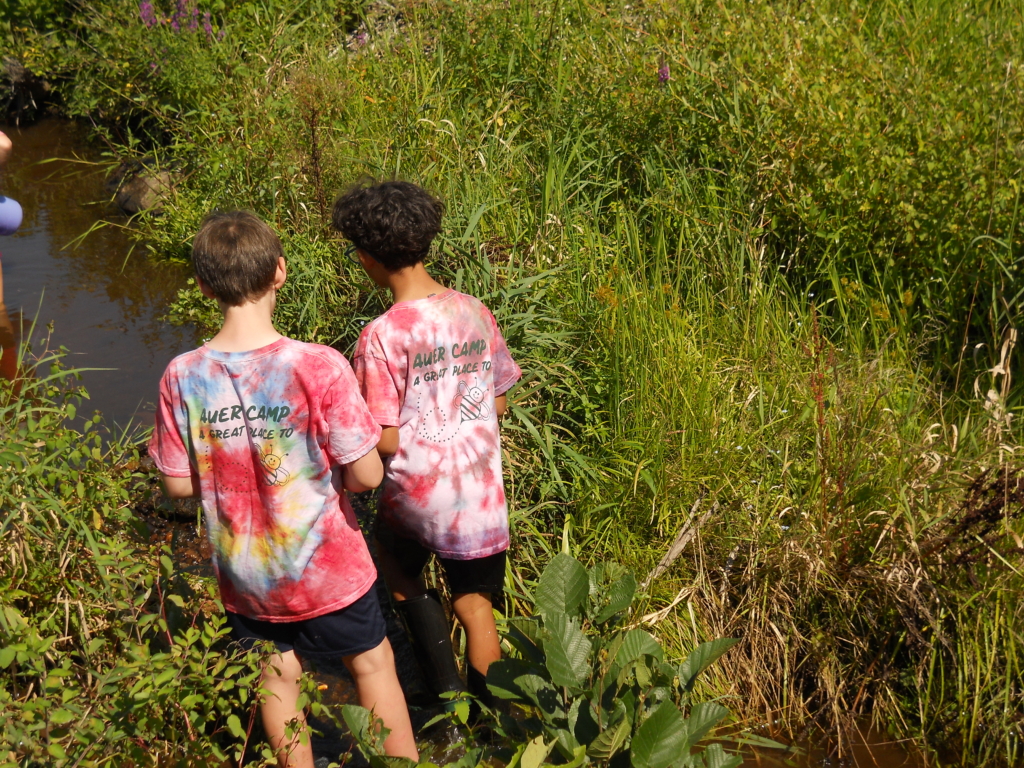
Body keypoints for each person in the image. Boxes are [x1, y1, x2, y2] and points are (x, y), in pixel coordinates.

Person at [148, 211, 418, 767]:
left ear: (202, 286)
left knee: (275, 677)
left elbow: (176, 482)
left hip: (247, 573)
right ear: (279, 272)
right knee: (371, 667)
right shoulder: (317, 365)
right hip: (329, 571)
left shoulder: (182, 374)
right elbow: (365, 474)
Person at [331, 181, 521, 710]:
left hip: (416, 494)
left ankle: (445, 699)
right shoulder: (474, 311)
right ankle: (497, 722)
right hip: (480, 497)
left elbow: (385, 435)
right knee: (476, 604)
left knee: (396, 568)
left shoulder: (381, 336)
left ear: (367, 258)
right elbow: (499, 401)